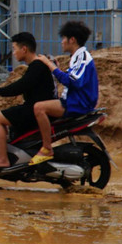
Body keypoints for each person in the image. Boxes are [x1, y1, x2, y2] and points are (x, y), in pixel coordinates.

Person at [0, 32, 54, 170]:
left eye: (14, 49)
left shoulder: (37, 66)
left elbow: (20, 86)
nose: (13, 53)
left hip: (33, 110)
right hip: (33, 107)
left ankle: (2, 160)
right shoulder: (36, 65)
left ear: (24, 49)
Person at [31, 20, 99, 165]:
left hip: (78, 103)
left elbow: (73, 81)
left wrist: (50, 65)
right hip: (73, 100)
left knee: (39, 108)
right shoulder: (77, 57)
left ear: (72, 40)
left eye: (63, 38)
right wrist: (55, 67)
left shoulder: (83, 57)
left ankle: (47, 148)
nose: (61, 42)